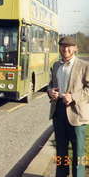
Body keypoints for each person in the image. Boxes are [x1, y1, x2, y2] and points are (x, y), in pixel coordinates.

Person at [47, 36, 89, 177]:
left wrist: (74, 97)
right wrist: (50, 91)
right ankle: (61, 174)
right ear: (59, 48)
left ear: (76, 48)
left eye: (69, 46)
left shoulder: (84, 65)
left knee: (78, 152)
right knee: (61, 150)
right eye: (63, 46)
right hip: (58, 112)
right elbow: (51, 84)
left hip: (77, 114)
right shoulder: (56, 65)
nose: (66, 49)